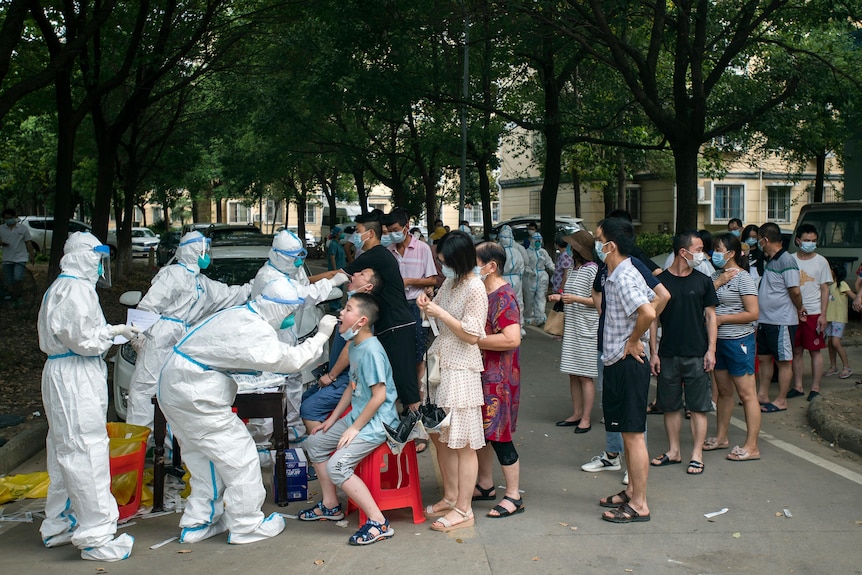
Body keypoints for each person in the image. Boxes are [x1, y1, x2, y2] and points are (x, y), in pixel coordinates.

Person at [157, 278, 337, 545]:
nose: (289, 319)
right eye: (289, 312)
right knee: (241, 457)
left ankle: (199, 522)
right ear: (278, 308)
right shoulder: (253, 330)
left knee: (203, 458)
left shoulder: (242, 314)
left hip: (175, 388)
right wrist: (321, 335)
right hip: (195, 394)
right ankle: (246, 524)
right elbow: (289, 361)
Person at [38, 232, 139, 561]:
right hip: (75, 375)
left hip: (67, 372)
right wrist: (114, 332)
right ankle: (96, 535)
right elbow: (84, 340)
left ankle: (59, 523)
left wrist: (110, 331)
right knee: (86, 451)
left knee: (64, 450)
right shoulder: (75, 290)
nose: (99, 264)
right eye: (95, 257)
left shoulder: (65, 286)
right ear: (80, 256)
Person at [298, 293, 400, 545]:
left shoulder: (372, 351)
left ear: (362, 320)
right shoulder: (355, 345)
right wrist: (332, 421)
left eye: (348, 309)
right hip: (358, 416)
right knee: (314, 443)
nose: (341, 313)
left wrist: (354, 428)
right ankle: (331, 505)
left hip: (378, 423)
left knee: (337, 467)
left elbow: (379, 396)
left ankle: (379, 522)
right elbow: (350, 388)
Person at [127, 231, 253, 430]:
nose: (207, 255)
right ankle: (139, 441)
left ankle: (170, 445)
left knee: (177, 393)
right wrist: (137, 334)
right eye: (204, 250)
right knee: (145, 389)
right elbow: (149, 306)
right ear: (194, 251)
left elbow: (230, 295)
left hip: (183, 341)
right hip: (160, 339)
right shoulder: (173, 274)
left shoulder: (200, 283)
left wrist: (255, 287)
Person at [309, 212, 421, 409]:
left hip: (397, 324)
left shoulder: (375, 255)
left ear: (369, 233)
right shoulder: (376, 255)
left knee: (406, 383)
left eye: (358, 231)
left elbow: (339, 274)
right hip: (389, 324)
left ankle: (419, 432)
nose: (354, 236)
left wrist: (304, 283)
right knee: (391, 379)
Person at [247, 230, 347, 443]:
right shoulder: (269, 277)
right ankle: (264, 442)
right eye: (294, 258)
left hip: (286, 335)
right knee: (269, 387)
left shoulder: (284, 273)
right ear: (281, 256)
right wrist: (333, 281)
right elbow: (303, 296)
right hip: (271, 338)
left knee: (292, 382)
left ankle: (292, 431)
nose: (298, 262)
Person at [418, 231, 488, 532]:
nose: (441, 266)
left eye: (445, 262)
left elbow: (472, 335)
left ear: (459, 261)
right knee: (443, 438)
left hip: (461, 368)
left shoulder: (475, 287)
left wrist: (439, 312)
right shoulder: (451, 281)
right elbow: (441, 314)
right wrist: (428, 305)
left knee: (464, 442)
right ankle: (450, 497)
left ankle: (464, 508)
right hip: (441, 364)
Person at [592, 218, 656, 523]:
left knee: (633, 437)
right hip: (618, 360)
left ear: (610, 245)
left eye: (598, 239)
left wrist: (634, 340)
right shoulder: (618, 272)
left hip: (627, 362)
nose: (596, 244)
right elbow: (659, 298)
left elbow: (649, 310)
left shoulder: (624, 276)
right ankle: (631, 491)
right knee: (628, 433)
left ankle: (639, 503)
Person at [650, 231, 718, 477]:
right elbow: (653, 319)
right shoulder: (661, 283)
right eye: (699, 249)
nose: (703, 255)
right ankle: (674, 451)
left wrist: (711, 350)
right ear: (683, 252)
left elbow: (711, 316)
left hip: (697, 354)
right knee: (670, 406)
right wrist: (654, 352)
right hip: (668, 353)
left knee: (698, 407)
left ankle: (697, 454)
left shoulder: (703, 281)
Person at [473, 241, 524, 518]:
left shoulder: (504, 297)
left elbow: (511, 338)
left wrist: (474, 339)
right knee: (483, 434)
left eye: (475, 261)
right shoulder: (485, 291)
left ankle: (514, 496)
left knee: (500, 435)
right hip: (485, 373)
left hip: (499, 378)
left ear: (491, 266)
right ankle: (485, 484)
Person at [300, 268, 383, 434]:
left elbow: (349, 347)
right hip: (343, 377)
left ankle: (321, 450)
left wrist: (331, 376)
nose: (355, 274)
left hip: (346, 379)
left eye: (362, 274)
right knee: (305, 398)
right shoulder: (354, 309)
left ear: (368, 287)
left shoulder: (361, 315)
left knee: (309, 409)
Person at [705, 233, 761, 461]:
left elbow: (753, 313)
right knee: (724, 392)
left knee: (747, 394)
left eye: (718, 250)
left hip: (739, 341)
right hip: (718, 342)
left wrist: (721, 320)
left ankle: (752, 446)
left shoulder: (744, 278)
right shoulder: (716, 275)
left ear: (731, 253)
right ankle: (721, 437)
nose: (714, 254)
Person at [548, 230, 598, 433]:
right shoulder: (575, 268)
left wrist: (574, 299)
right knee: (573, 372)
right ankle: (576, 413)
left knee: (585, 375)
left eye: (571, 245)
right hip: (573, 325)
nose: (567, 249)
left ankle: (586, 417)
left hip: (587, 327)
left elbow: (597, 301)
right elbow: (569, 293)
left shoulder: (592, 269)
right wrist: (560, 298)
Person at [382, 208, 438, 385]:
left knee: (417, 350)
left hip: (415, 304)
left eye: (396, 230)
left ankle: (417, 391)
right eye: (389, 231)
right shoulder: (387, 251)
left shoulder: (423, 249)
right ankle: (400, 389)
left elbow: (432, 279)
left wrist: (408, 281)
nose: (393, 235)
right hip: (393, 305)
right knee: (395, 348)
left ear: (407, 226)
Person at [756, 222, 804, 413]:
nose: (759, 243)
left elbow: (795, 291)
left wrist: (800, 308)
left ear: (765, 239)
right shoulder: (772, 260)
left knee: (783, 361)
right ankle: (762, 395)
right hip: (765, 320)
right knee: (765, 358)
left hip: (781, 321)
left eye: (760, 239)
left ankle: (781, 399)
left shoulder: (787, 261)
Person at [789, 224, 832, 402]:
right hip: (793, 312)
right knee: (796, 351)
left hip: (813, 313)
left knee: (815, 351)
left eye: (813, 241)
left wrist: (823, 314)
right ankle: (798, 386)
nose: (810, 244)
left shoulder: (821, 261)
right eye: (807, 241)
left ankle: (815, 387)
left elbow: (824, 290)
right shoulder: (790, 260)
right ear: (798, 241)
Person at [825, 262, 855, 380]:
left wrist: (858, 301)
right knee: (830, 342)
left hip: (839, 318)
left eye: (830, 269)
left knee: (836, 343)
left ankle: (846, 367)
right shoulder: (827, 285)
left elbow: (853, 296)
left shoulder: (841, 284)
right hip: (828, 318)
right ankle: (833, 367)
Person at [1, 208, 35, 302]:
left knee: (18, 277)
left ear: (15, 217)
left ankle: (19, 294)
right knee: (9, 279)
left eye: (10, 218)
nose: (9, 220)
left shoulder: (22, 229)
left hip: (20, 257)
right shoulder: (1, 229)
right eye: (6, 218)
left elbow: (28, 242)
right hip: (7, 257)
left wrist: (31, 255)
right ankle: (12, 295)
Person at [497, 225, 527, 336]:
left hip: (501, 279)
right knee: (518, 302)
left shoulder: (497, 250)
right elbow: (523, 265)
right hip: (516, 279)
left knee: (501, 303)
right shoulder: (517, 251)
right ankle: (519, 327)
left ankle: (502, 326)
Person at [523, 231, 555, 326]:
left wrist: (554, 269)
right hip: (530, 278)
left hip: (542, 276)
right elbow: (524, 265)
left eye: (539, 241)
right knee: (529, 298)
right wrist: (529, 271)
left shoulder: (543, 252)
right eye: (536, 240)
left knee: (541, 297)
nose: (537, 242)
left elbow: (549, 262)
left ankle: (540, 316)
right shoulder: (527, 252)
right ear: (532, 241)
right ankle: (528, 316)